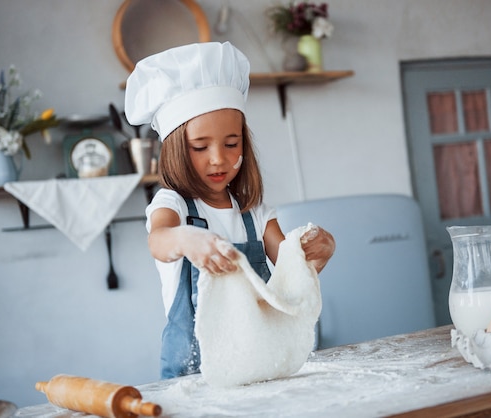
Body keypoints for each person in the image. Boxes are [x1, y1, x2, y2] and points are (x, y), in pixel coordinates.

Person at [124, 42, 335, 379]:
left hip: (261, 362)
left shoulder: (256, 213)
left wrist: (317, 252)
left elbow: (292, 268)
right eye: (200, 146)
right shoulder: (173, 205)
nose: (219, 158)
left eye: (231, 143)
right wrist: (186, 239)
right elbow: (160, 241)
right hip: (194, 375)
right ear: (177, 147)